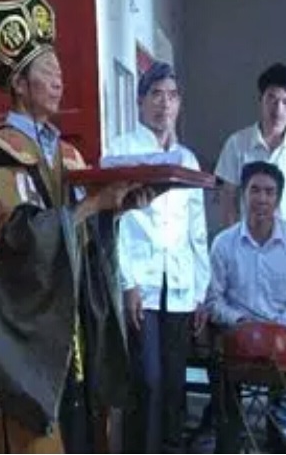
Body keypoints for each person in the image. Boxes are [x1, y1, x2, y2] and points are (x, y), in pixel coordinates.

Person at [0, 0, 153, 453]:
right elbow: (19, 242)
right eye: (47, 70)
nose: (59, 79)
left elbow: (85, 235)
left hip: (70, 326)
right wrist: (93, 207)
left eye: (60, 70)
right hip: (25, 335)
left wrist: (117, 209)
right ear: (19, 84)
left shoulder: (68, 154)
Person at [108, 62, 210, 453]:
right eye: (155, 95)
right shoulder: (121, 151)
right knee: (146, 380)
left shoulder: (188, 160)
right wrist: (127, 283)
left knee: (173, 383)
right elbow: (114, 225)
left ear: (179, 104)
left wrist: (200, 290)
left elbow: (197, 231)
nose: (164, 104)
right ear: (140, 101)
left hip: (180, 285)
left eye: (171, 96)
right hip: (141, 284)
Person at [207, 161, 286, 454]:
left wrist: (276, 331)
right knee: (216, 360)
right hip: (239, 331)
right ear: (243, 195)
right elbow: (214, 301)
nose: (262, 199)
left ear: (278, 199)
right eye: (255, 190)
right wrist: (241, 322)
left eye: (269, 192)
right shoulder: (223, 244)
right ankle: (228, 445)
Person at [215, 63, 286, 238]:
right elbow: (227, 199)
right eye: (271, 99)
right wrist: (237, 243)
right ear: (261, 99)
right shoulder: (237, 144)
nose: (278, 109)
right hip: (249, 245)